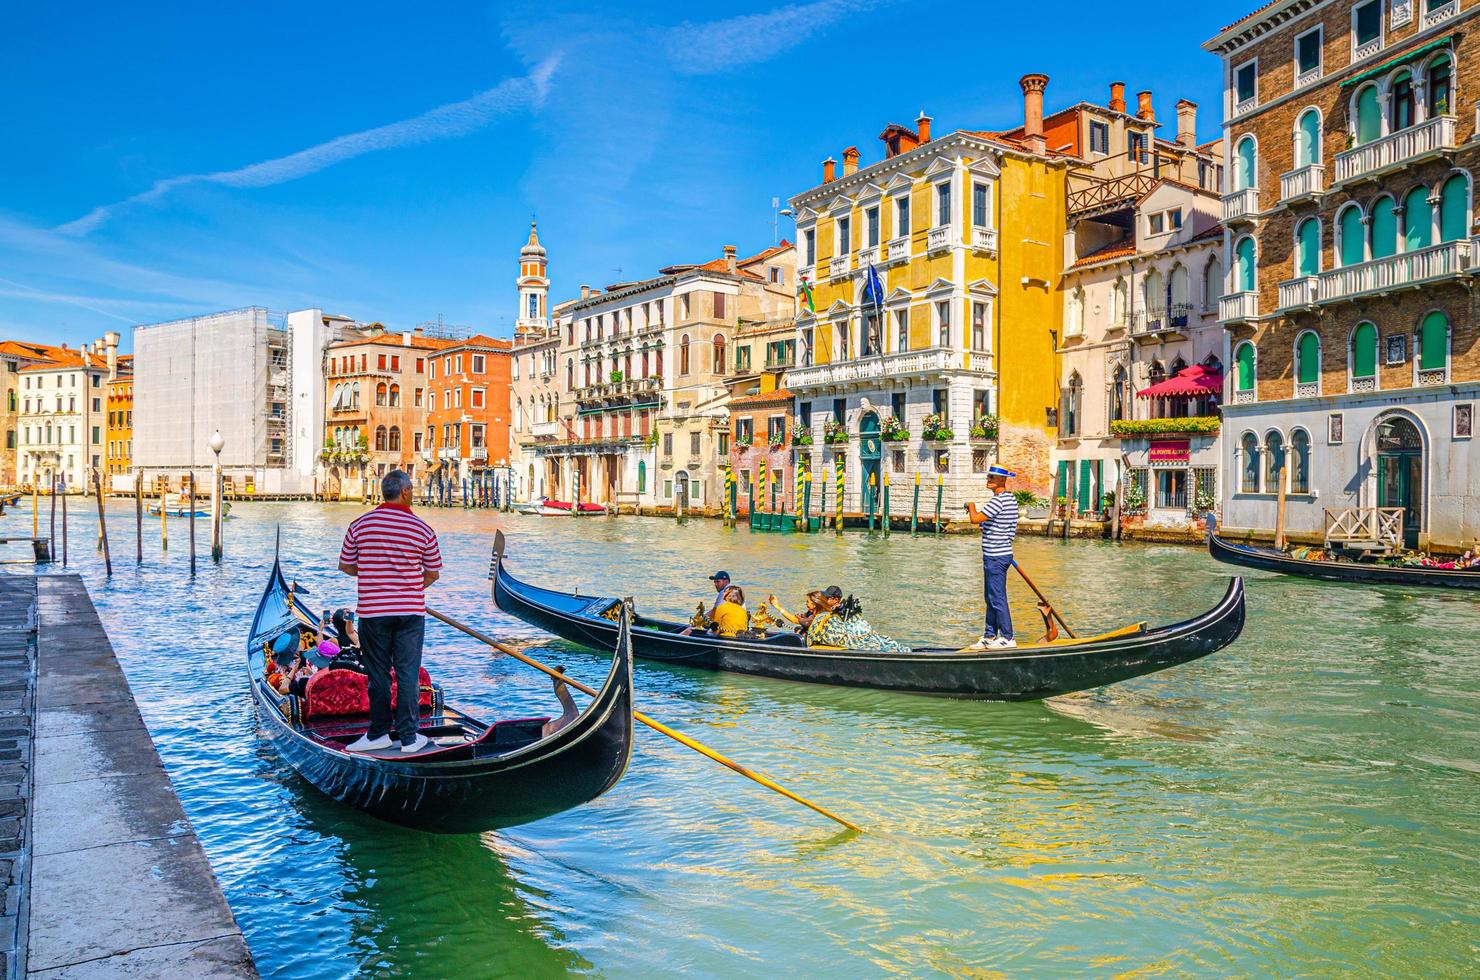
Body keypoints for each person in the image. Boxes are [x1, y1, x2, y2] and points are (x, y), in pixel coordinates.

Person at [338, 469, 443, 754]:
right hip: (410, 612)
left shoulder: (360, 525)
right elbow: (432, 572)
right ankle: (409, 738)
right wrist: (408, 585)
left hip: (373, 612)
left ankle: (378, 734)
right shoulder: (423, 529)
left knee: (379, 675)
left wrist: (375, 574)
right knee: (408, 674)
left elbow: (346, 565)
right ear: (406, 492)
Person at [965, 465, 1020, 649]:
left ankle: (1007, 637)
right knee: (990, 596)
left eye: (992, 477)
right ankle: (989, 635)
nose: (988, 479)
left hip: (996, 556)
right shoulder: (1009, 499)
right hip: (997, 554)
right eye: (988, 476)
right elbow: (998, 524)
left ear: (1002, 480)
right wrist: (987, 527)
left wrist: (971, 506)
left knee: (997, 597)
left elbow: (975, 519)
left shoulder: (998, 501)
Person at [805, 586, 910, 652]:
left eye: (827, 598)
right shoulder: (825, 612)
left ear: (836, 600)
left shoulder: (834, 612)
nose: (825, 600)